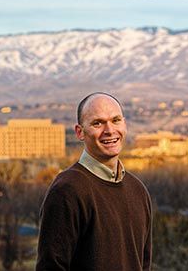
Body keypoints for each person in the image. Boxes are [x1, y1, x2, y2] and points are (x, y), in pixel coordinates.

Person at [36, 92, 152, 270]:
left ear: (125, 124)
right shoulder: (67, 190)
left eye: (115, 120)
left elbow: (143, 264)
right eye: (97, 123)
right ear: (80, 132)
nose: (109, 130)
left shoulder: (138, 190)